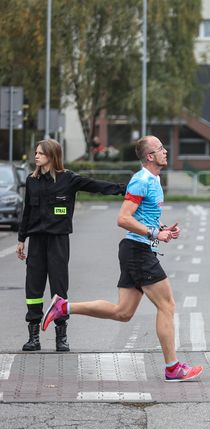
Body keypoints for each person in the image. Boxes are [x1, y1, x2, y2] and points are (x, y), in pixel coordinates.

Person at [41, 136, 204, 382]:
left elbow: (143, 216)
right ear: (150, 156)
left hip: (136, 250)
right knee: (167, 306)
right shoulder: (140, 181)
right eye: (160, 148)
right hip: (137, 251)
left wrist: (162, 229)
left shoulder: (154, 179)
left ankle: (63, 307)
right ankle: (172, 368)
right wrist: (153, 233)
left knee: (123, 312)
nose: (165, 151)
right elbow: (124, 218)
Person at [16, 139, 125, 352]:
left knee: (59, 286)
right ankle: (34, 336)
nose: (36, 157)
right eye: (35, 153)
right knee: (33, 287)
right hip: (37, 240)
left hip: (58, 240)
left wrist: (124, 189)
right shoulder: (32, 181)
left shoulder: (69, 179)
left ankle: (61, 336)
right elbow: (27, 211)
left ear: (51, 155)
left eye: (40, 153)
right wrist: (21, 239)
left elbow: (96, 186)